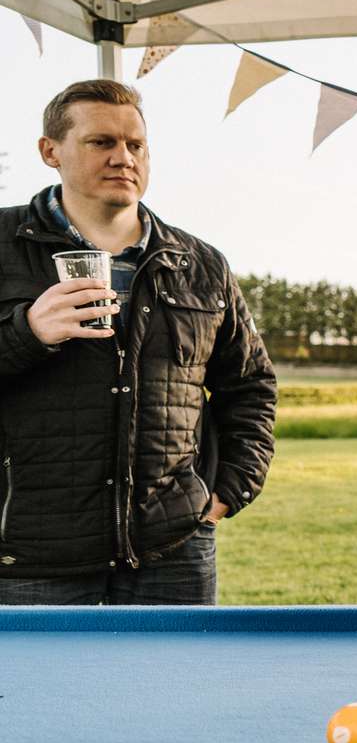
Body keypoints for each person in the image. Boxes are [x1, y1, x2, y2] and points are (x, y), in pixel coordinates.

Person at [0, 79, 276, 604]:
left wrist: (227, 491)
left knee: (176, 689)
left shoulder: (200, 264)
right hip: (29, 554)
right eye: (101, 142)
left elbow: (250, 386)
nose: (122, 157)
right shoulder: (1, 246)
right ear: (50, 151)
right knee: (37, 691)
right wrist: (27, 333)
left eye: (135, 145)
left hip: (172, 547)